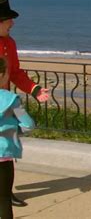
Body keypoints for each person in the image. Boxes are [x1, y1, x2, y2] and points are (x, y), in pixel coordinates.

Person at [0, 0, 49, 207]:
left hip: (5, 103)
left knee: (6, 152)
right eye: (8, 19)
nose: (13, 23)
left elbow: (17, 73)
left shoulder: (9, 43)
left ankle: (5, 194)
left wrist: (35, 89)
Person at [0, 57, 35, 219]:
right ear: (2, 75)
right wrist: (13, 130)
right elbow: (28, 124)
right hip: (3, 157)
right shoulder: (11, 100)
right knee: (4, 199)